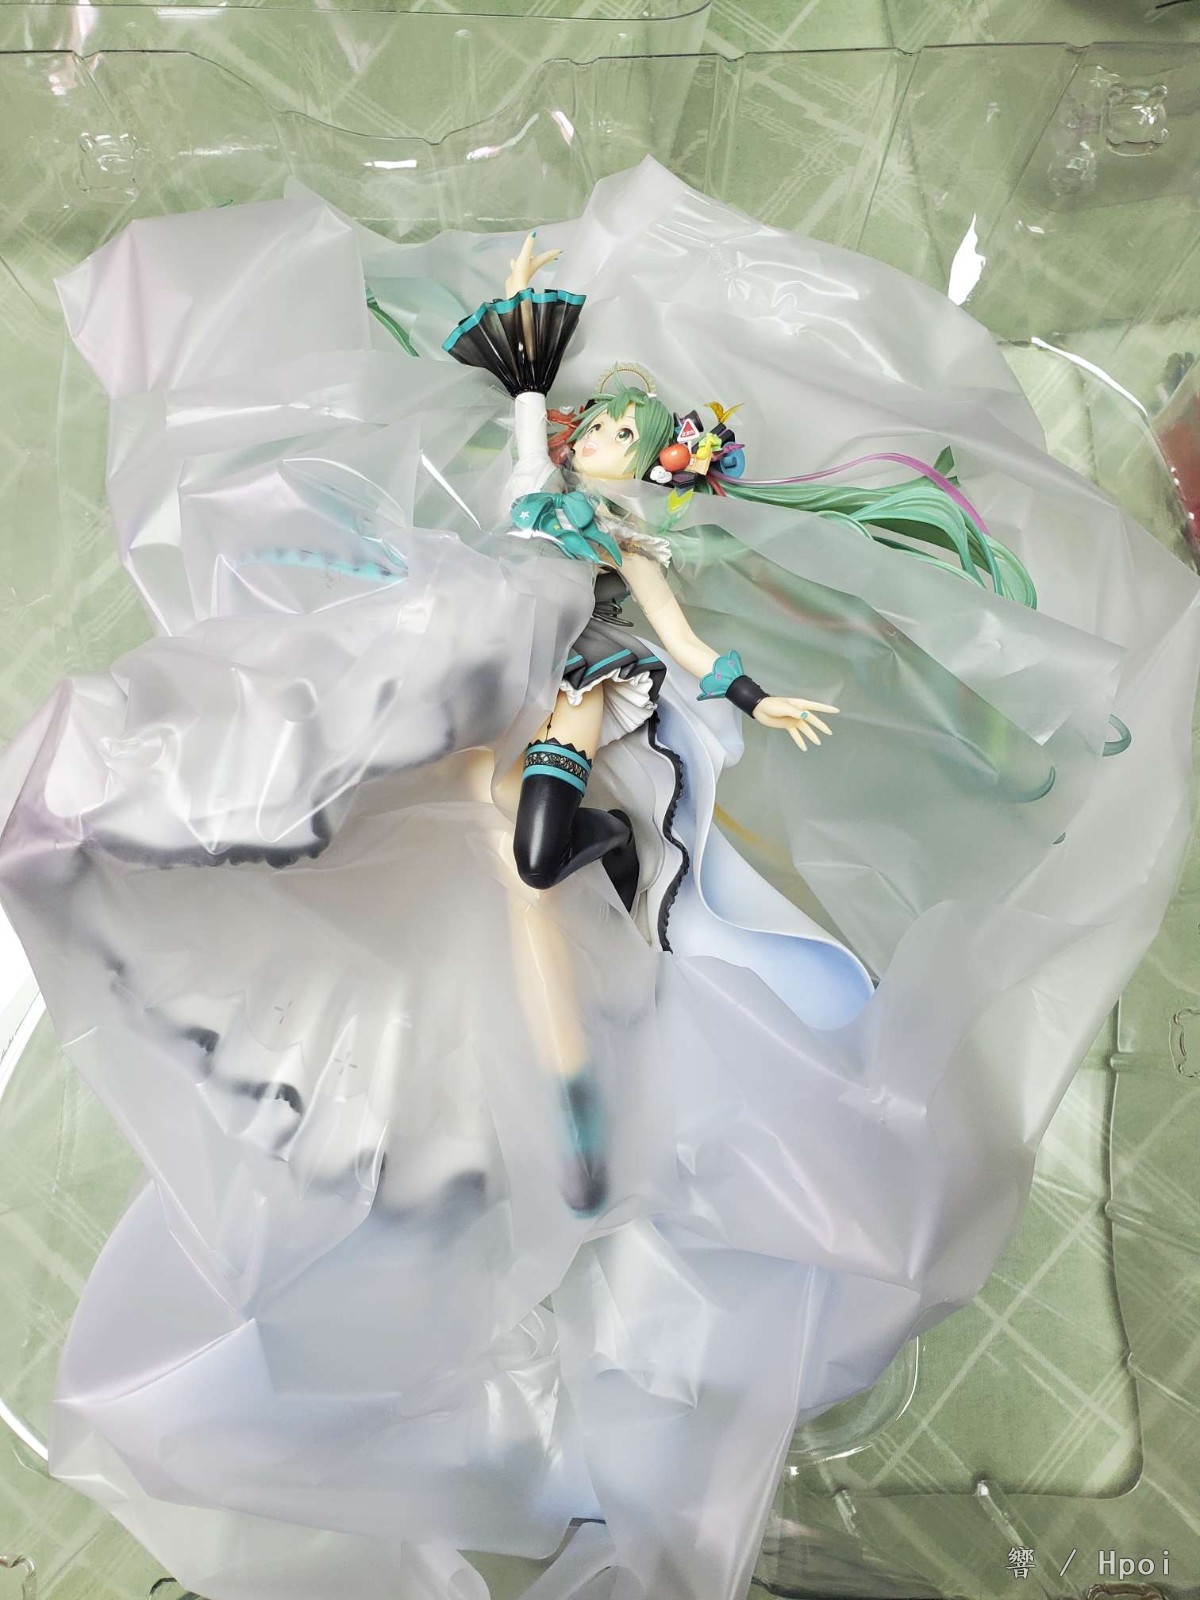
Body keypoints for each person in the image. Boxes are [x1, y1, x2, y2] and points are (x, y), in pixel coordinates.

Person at [0, 158, 1191, 1600]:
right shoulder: (550, 503)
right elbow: (521, 496)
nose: (612, 442)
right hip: (519, 703)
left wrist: (747, 693)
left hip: (590, 718)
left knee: (544, 876)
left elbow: (681, 639)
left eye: (628, 432)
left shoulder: (627, 541)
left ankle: (567, 1086)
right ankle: (559, 1081)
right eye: (604, 428)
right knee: (508, 862)